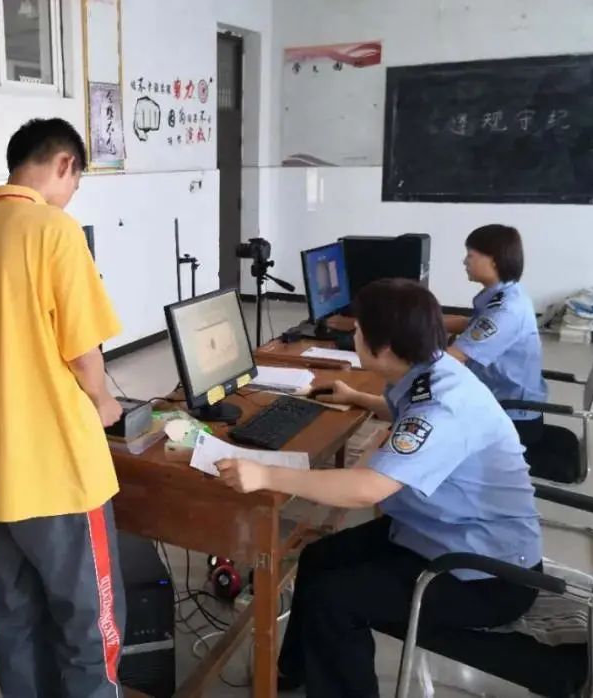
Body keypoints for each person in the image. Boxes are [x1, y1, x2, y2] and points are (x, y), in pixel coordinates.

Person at [216, 279, 543, 698]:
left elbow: (366, 489)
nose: (352, 335)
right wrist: (358, 397)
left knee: (335, 600)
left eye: (358, 330)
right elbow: (407, 414)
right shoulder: (432, 371)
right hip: (440, 533)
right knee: (318, 558)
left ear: (384, 348)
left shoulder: (442, 408)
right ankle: (295, 670)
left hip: (483, 574)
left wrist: (265, 475)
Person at [0, 118, 125, 697]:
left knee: (18, 618)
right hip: (60, 473)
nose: (72, 194)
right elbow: (84, 353)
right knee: (91, 626)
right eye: (76, 181)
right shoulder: (55, 230)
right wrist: (104, 403)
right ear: (64, 164)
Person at [445, 225, 548, 450]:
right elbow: (471, 325)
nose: (464, 261)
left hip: (509, 417)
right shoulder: (505, 293)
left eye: (470, 255)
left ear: (493, 259)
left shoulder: (505, 311)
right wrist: (418, 320)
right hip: (496, 398)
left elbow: (453, 358)